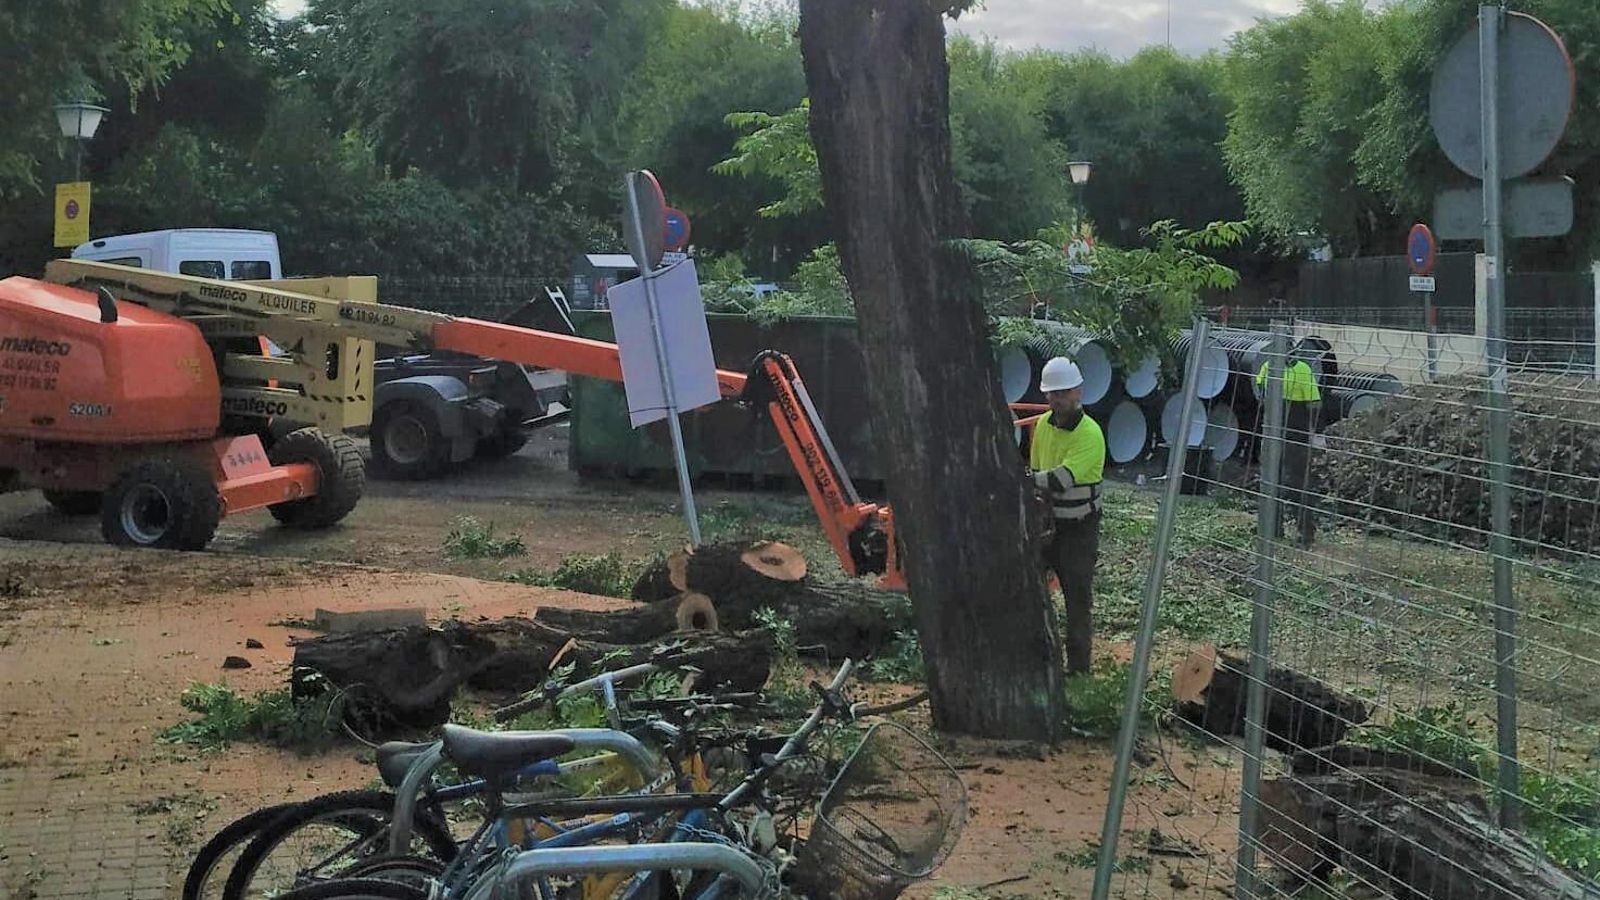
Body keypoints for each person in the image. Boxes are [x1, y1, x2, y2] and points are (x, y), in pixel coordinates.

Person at [1029, 356, 1107, 675]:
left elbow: (1060, 480)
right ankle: (1038, 660)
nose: (1056, 399)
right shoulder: (1043, 426)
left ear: (1078, 392)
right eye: (1052, 394)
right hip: (1046, 525)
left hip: (1078, 530)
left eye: (1062, 393)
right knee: (1030, 592)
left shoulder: (1090, 434)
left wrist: (1018, 479)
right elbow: (1036, 472)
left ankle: (1078, 669)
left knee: (1077, 600)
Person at [1256, 341, 1322, 545]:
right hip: (1279, 429)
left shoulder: (1298, 369)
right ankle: (1273, 527)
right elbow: (1314, 404)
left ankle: (1305, 532)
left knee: (1294, 482)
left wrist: (1316, 433)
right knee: (1272, 479)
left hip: (1293, 432)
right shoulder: (1271, 367)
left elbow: (1314, 404)